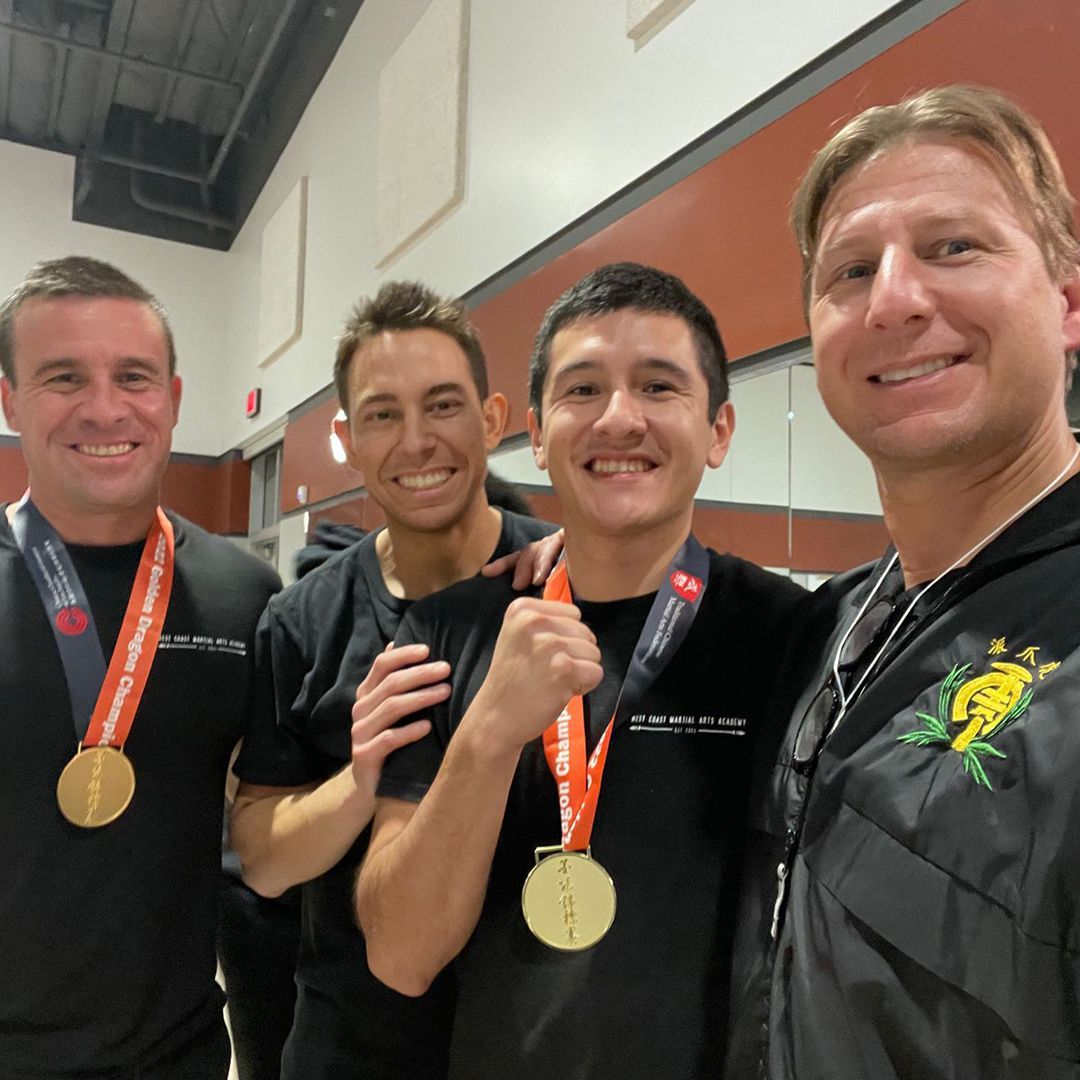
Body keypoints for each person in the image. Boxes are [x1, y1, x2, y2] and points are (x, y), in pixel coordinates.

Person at [357, 262, 809, 1080]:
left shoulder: (793, 637)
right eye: (584, 389)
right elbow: (400, 954)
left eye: (660, 387)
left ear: (719, 430)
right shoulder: (443, 634)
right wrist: (488, 735)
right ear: (535, 431)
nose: (619, 419)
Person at [727, 85, 1080, 1080]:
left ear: (1067, 302)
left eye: (954, 247)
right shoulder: (831, 628)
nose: (893, 299)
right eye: (851, 270)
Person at [229, 281, 556, 1079]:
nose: (416, 442)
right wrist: (364, 778)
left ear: (492, 419)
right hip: (355, 1049)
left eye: (443, 406)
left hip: (538, 1040)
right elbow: (263, 859)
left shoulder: (567, 579)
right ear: (346, 437)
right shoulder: (302, 621)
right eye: (381, 414)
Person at [0, 256, 280, 1079]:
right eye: (63, 377)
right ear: (10, 399)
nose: (104, 407)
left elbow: (269, 818)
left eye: (134, 376)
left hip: (177, 1056)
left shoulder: (246, 595)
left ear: (175, 399)